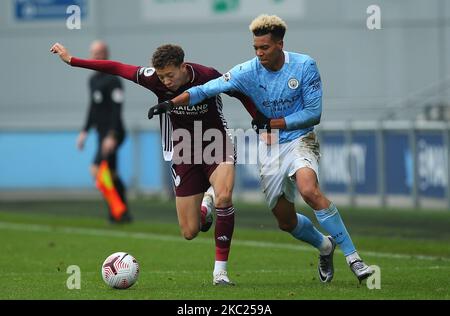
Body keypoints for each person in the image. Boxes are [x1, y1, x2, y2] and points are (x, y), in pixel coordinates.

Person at [150, 14, 374, 283]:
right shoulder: (247, 71)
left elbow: (314, 113)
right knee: (285, 221)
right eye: (255, 48)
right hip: (269, 149)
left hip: (301, 139)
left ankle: (355, 260)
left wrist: (274, 122)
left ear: (280, 44)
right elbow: (206, 89)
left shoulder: (305, 66)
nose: (259, 53)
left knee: (309, 190)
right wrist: (172, 104)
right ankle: (325, 246)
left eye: (264, 47)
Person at [50, 42, 257, 285]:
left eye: (170, 75)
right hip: (183, 148)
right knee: (189, 232)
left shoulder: (207, 75)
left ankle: (219, 272)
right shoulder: (153, 79)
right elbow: (117, 67)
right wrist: (73, 60)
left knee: (224, 196)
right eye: (161, 76)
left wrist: (260, 119)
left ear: (183, 66)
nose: (166, 81)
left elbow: (238, 90)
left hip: (216, 142)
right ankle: (204, 208)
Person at [74, 40, 132, 224]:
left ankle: (117, 211)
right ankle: (121, 213)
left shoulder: (113, 79)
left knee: (97, 170)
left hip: (114, 133)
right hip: (101, 133)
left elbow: (117, 109)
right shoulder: (92, 80)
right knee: (110, 174)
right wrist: (84, 131)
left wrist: (112, 136)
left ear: (106, 54)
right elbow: (93, 108)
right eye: (94, 53)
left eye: (100, 52)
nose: (96, 56)